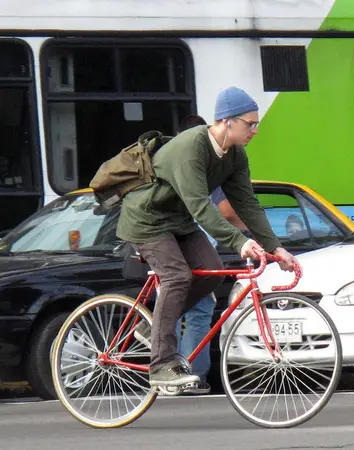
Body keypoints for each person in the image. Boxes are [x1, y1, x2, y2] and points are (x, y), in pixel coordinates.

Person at [116, 86, 298, 389]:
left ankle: (154, 329)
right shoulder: (192, 147)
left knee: (212, 273)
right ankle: (160, 365)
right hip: (147, 220)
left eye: (257, 124)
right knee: (177, 276)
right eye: (250, 124)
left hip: (178, 221)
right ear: (227, 121)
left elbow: (247, 203)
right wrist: (240, 242)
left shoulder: (235, 155)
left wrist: (276, 247)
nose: (256, 130)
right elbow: (200, 206)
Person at [158, 114, 248, 396]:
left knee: (182, 307)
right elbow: (225, 210)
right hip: (184, 246)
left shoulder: (183, 161)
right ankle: (189, 374)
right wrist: (242, 235)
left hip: (177, 243)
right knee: (198, 312)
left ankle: (176, 369)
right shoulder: (200, 164)